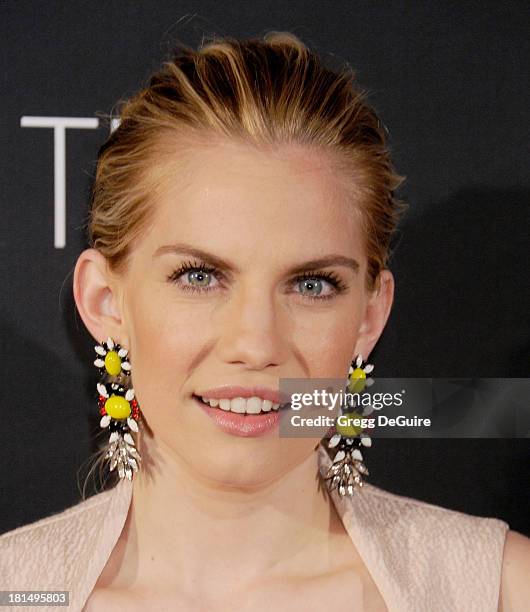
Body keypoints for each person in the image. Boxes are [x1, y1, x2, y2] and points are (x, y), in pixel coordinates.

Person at [1, 31, 529, 612]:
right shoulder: (16, 591)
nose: (255, 344)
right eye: (199, 276)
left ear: (369, 316)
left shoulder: (498, 590)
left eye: (311, 285)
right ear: (106, 302)